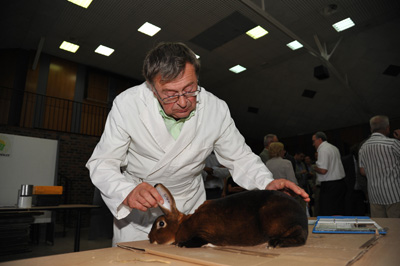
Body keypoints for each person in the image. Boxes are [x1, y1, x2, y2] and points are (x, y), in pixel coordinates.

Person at [86, 42, 309, 246]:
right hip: (140, 213)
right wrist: (126, 191)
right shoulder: (127, 105)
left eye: (190, 90)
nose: (183, 102)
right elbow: (102, 162)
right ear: (152, 89)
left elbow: (239, 158)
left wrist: (266, 182)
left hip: (191, 210)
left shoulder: (215, 109)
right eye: (170, 95)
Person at [359, 115, 400, 218]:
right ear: (387, 128)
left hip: (374, 194)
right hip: (394, 193)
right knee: (396, 227)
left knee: (381, 226)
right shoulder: (393, 143)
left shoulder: (363, 147)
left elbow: (362, 171)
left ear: (371, 129)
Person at [312, 131, 346, 216]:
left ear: (319, 140)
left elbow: (323, 170)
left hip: (329, 186)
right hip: (340, 184)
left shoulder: (323, 149)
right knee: (338, 210)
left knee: (327, 212)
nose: (313, 144)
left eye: (314, 141)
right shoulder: (333, 147)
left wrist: (314, 168)